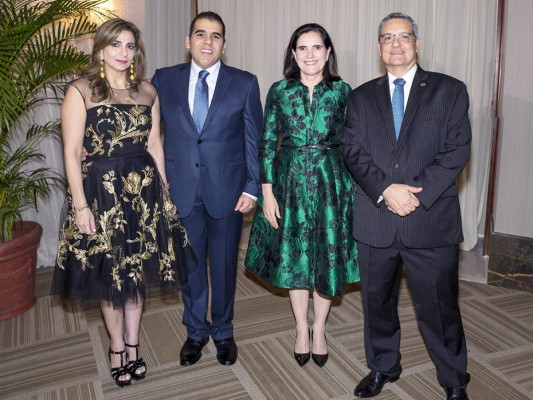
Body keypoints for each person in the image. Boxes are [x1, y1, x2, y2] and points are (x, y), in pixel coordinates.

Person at [52, 18, 194, 388]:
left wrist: (164, 193)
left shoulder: (148, 91)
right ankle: (117, 348)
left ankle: (133, 345)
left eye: (130, 46)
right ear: (101, 48)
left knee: (136, 276)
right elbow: (70, 153)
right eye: (116, 44)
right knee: (111, 275)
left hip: (143, 192)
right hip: (101, 194)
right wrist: (81, 207)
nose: (123, 53)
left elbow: (154, 146)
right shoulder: (81, 91)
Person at [341, 12, 471, 400]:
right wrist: (386, 189)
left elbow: (457, 149)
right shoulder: (361, 96)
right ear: (379, 47)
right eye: (386, 38)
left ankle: (453, 380)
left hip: (430, 221)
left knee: (440, 308)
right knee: (376, 305)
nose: (395, 44)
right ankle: (383, 367)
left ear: (417, 43)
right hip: (376, 219)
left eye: (403, 36)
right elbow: (351, 149)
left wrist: (413, 194)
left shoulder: (449, 90)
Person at [245, 23, 359, 368]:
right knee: (294, 258)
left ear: (328, 52)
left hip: (331, 183)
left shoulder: (342, 91)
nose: (310, 55)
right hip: (288, 183)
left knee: (325, 257)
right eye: (302, 48)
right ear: (293, 54)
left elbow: (354, 143)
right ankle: (300, 328)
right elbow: (266, 142)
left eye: (317, 47)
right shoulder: (279, 90)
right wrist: (266, 191)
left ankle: (320, 330)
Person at [151, 11, 262, 367]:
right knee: (191, 266)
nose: (207, 42)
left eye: (215, 36)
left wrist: (252, 187)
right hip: (180, 189)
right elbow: (145, 132)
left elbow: (253, 140)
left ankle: (224, 331)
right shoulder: (163, 80)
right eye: (201, 34)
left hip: (229, 194)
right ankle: (196, 332)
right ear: (188, 41)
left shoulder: (244, 83)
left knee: (226, 266)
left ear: (224, 45)